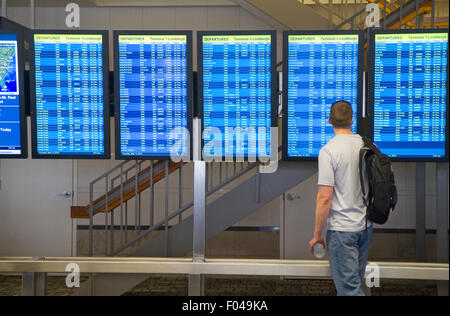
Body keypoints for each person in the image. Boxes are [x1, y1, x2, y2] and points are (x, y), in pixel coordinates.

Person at [308, 100, 373, 296]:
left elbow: (325, 198)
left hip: (342, 230)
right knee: (351, 285)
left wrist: (317, 234)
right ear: (352, 120)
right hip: (365, 227)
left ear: (329, 120)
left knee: (349, 291)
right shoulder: (368, 146)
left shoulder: (329, 151)